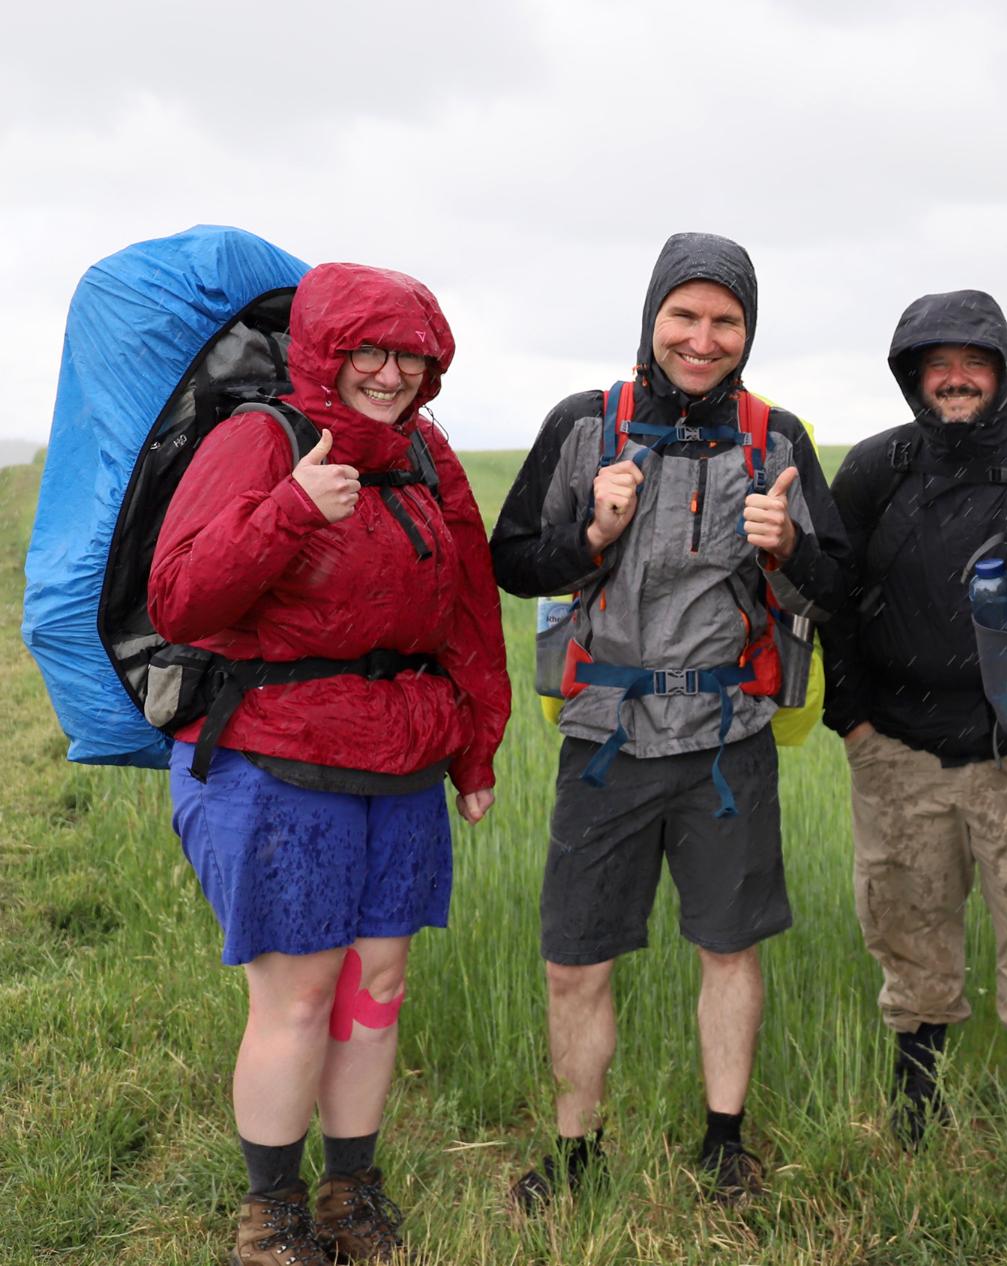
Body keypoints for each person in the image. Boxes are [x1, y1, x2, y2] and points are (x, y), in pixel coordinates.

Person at [151, 262, 509, 1264]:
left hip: (399, 753)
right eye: (371, 351)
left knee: (378, 983)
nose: (392, 374)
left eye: (413, 356)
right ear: (323, 351)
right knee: (301, 991)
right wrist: (293, 510)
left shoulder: (426, 456)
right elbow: (180, 600)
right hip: (274, 755)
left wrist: (477, 747)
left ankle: (353, 1186)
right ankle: (270, 1212)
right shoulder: (257, 441)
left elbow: (471, 608)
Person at [489, 232, 851, 1207]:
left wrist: (787, 553)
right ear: (652, 319)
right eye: (684, 316)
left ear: (748, 330)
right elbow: (513, 559)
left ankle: (725, 1141)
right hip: (604, 738)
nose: (703, 338)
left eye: (725, 319)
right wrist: (590, 532)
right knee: (574, 960)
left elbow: (842, 587)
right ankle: (575, 1154)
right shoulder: (585, 425)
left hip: (728, 741)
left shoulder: (777, 440)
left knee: (729, 949)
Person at [824, 290, 1007, 1143]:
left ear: (1002, 372)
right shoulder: (878, 467)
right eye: (938, 366)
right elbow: (833, 599)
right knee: (907, 918)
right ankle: (917, 1098)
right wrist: (854, 722)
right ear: (914, 377)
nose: (956, 381)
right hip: (898, 748)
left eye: (974, 364)